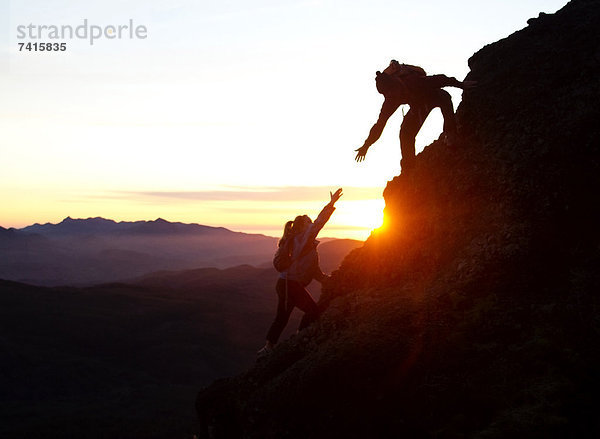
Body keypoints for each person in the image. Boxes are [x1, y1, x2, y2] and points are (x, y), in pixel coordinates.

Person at [257, 188, 343, 358]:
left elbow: (313, 270)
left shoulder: (300, 242)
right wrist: (331, 203)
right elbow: (320, 221)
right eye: (309, 223)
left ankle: (269, 347)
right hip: (290, 285)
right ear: (304, 227)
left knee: (283, 316)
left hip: (286, 284)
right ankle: (296, 339)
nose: (312, 225)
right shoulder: (303, 238)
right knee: (311, 311)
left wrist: (326, 279)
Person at [355, 60, 476, 171]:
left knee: (444, 96)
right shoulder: (391, 100)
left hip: (431, 95)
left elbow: (440, 79)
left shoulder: (413, 82)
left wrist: (461, 84)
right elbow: (379, 125)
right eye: (388, 94)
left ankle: (451, 135)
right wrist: (366, 145)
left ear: (396, 84)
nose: (393, 95)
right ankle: (408, 167)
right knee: (405, 133)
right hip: (418, 105)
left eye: (393, 92)